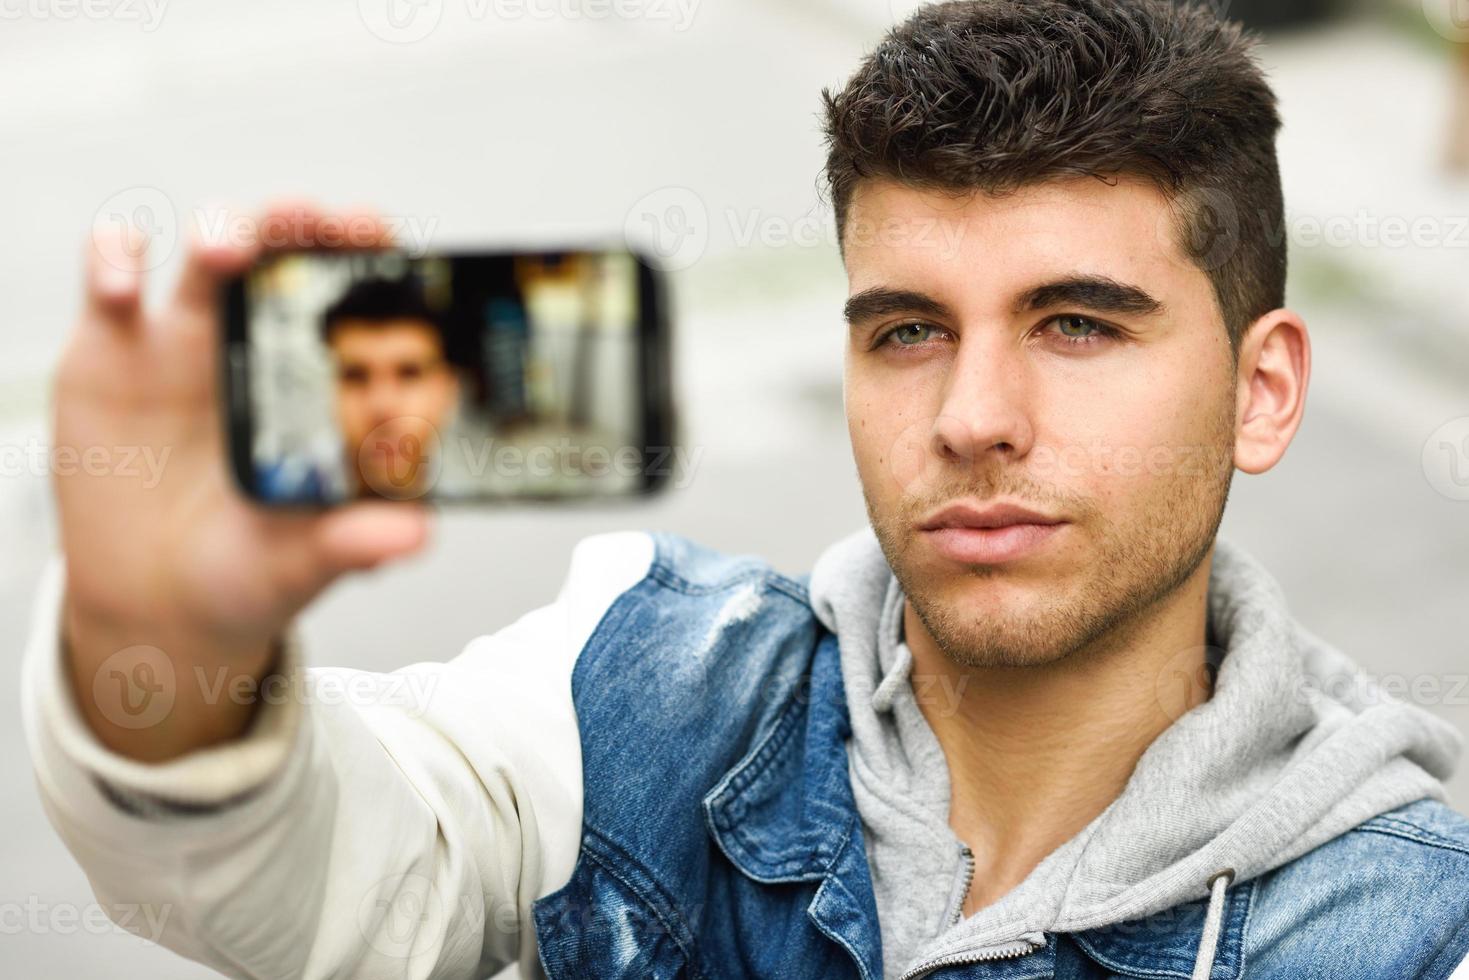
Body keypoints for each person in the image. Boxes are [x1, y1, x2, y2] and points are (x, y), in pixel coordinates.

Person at [23, 2, 1469, 978]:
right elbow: (276, 869)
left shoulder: (1409, 926)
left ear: (1260, 389)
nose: (971, 418)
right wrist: (164, 637)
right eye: (906, 328)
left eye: (1077, 324)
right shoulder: (644, 689)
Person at [258, 276, 460, 502]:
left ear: (448, 390)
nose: (382, 406)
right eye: (356, 376)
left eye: (408, 374)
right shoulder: (267, 498)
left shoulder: (492, 511)